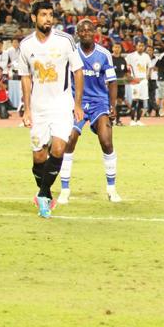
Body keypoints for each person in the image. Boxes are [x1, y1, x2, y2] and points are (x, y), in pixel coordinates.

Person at [18, 0, 84, 218]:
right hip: (38, 108)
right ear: (34, 17)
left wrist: (77, 104)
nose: (48, 19)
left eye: (50, 15)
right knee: (39, 156)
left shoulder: (65, 40)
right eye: (43, 15)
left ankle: (43, 196)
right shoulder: (26, 45)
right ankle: (44, 194)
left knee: (58, 148)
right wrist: (27, 109)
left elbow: (78, 71)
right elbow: (25, 77)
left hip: (62, 105)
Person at [57, 19, 121, 204]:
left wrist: (112, 106)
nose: (86, 33)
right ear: (77, 33)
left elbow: (112, 82)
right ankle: (65, 190)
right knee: (70, 140)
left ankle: (111, 189)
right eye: (82, 30)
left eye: (89, 30)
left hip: (99, 103)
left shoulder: (104, 54)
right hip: (76, 103)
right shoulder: (71, 53)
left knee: (106, 141)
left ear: (95, 32)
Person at [126, 41, 151, 125]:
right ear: (136, 46)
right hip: (135, 81)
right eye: (139, 45)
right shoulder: (131, 56)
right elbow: (127, 67)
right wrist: (131, 78)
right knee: (135, 99)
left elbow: (149, 67)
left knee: (141, 100)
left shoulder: (146, 56)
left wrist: (147, 77)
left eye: (142, 46)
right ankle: (132, 120)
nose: (141, 47)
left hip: (143, 81)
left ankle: (138, 120)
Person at [111, 43, 127, 126]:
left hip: (121, 83)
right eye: (115, 47)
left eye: (118, 47)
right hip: (111, 83)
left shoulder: (123, 60)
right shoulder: (110, 59)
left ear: (121, 49)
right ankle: (110, 120)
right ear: (112, 48)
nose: (117, 49)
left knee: (120, 101)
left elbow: (125, 72)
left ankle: (118, 120)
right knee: (111, 101)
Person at [6, 37, 21, 110]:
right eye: (14, 42)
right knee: (11, 81)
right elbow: (7, 61)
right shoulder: (8, 50)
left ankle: (19, 102)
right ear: (12, 43)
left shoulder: (22, 50)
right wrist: (9, 64)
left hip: (20, 68)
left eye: (16, 42)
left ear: (19, 43)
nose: (15, 44)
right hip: (11, 69)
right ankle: (11, 102)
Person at [145, 46, 160, 117]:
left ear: (153, 51)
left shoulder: (156, 59)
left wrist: (151, 68)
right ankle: (151, 110)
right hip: (145, 78)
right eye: (148, 50)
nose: (149, 51)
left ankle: (155, 109)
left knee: (151, 96)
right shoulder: (144, 58)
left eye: (150, 50)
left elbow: (158, 68)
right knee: (148, 96)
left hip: (153, 79)